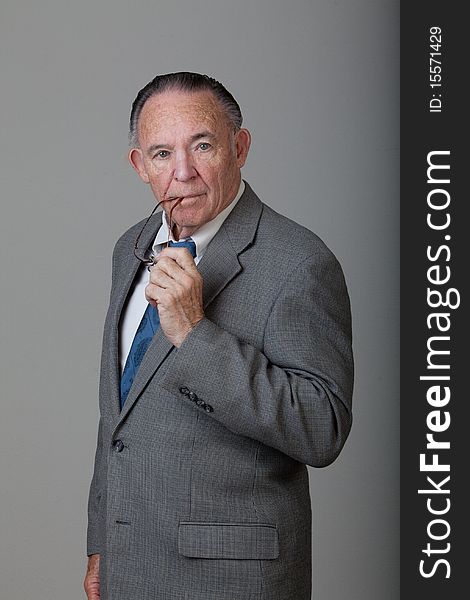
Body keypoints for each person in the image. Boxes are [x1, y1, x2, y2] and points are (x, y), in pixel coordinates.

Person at [84, 71, 354, 600]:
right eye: (162, 154)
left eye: (202, 145)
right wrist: (101, 541)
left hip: (233, 579)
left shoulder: (299, 261)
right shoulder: (131, 247)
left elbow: (322, 430)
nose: (182, 172)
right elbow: (117, 415)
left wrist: (195, 333)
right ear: (140, 166)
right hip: (130, 566)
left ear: (239, 147)